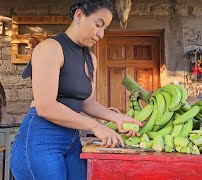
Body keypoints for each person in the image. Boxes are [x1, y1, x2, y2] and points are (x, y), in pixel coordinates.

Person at [10, 0, 142, 179]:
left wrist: (118, 118)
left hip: (71, 139)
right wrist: (96, 126)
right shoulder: (50, 48)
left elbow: (88, 103)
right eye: (98, 25)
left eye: (105, 28)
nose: (101, 34)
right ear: (79, 15)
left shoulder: (91, 59)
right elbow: (45, 107)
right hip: (40, 138)